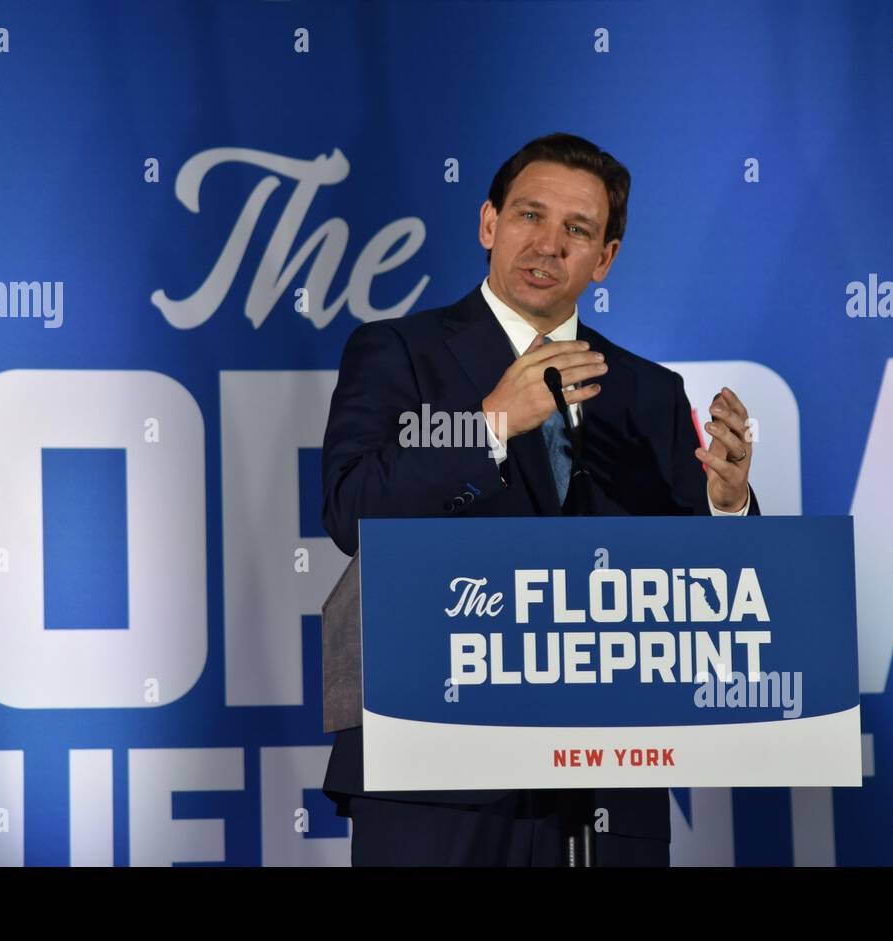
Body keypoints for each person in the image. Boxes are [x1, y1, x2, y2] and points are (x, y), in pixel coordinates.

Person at [320, 132, 759, 866]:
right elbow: (350, 510)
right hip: (434, 771)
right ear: (490, 224)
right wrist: (488, 425)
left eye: (577, 230)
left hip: (608, 781)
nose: (549, 244)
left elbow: (710, 586)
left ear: (605, 257)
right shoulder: (399, 352)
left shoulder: (649, 391)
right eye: (529, 216)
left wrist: (729, 503)